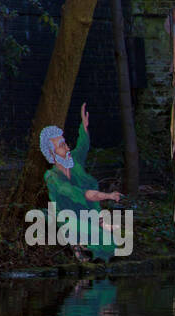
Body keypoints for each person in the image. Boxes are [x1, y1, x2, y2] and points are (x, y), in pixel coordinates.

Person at [39, 103, 122, 262]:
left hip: (88, 216)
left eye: (65, 143)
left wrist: (83, 128)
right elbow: (80, 193)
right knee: (100, 241)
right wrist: (109, 195)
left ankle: (92, 251)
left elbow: (82, 147)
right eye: (62, 146)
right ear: (52, 153)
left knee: (109, 244)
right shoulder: (52, 176)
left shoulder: (74, 163)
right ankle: (80, 247)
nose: (68, 148)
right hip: (69, 219)